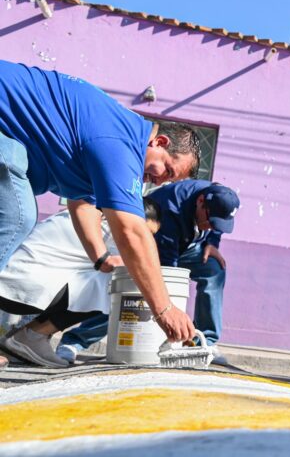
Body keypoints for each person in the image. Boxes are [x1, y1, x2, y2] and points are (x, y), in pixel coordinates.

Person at [0, 60, 200, 371]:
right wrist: (164, 309)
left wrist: (100, 258)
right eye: (167, 171)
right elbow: (132, 231)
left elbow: (81, 202)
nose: (159, 181)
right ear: (159, 142)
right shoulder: (120, 144)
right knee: (16, 217)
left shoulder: (114, 143)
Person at [56, 180, 240, 364]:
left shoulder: (216, 197)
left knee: (213, 270)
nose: (210, 226)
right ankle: (74, 341)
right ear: (200, 201)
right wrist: (166, 307)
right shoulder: (171, 208)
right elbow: (168, 266)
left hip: (188, 245)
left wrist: (212, 243)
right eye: (210, 221)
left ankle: (205, 342)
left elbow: (218, 220)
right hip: (155, 246)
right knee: (136, 296)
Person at [0, 198, 161, 368]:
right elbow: (141, 268)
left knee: (108, 277)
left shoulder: (87, 216)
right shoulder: (110, 229)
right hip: (17, 291)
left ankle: (29, 336)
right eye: (145, 233)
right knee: (118, 284)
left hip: (13, 284)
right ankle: (33, 336)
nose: (146, 239)